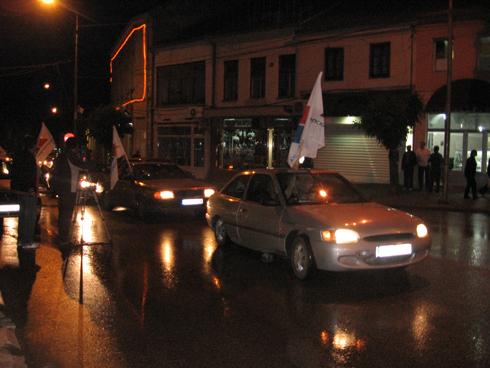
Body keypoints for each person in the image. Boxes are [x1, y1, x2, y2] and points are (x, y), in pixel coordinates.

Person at [51, 138, 91, 248]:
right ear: (74, 147)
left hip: (62, 190)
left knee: (63, 215)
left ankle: (62, 238)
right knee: (66, 216)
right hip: (69, 190)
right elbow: (84, 165)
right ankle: (64, 240)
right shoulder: (71, 156)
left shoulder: (61, 156)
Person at [10, 135, 39, 249]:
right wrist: (31, 188)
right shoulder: (29, 158)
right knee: (29, 216)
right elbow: (29, 175)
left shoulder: (19, 156)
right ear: (32, 145)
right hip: (27, 191)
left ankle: (21, 240)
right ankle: (27, 241)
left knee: (23, 215)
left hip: (19, 190)